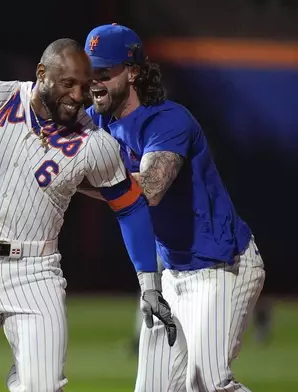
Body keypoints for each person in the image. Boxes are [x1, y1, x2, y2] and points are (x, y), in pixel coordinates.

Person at [0, 38, 175, 392]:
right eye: (68, 83)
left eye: (85, 87)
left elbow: (130, 207)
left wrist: (148, 283)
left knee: (43, 385)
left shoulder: (95, 143)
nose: (77, 95)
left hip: (35, 274)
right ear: (42, 74)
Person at [80, 23, 266, 392]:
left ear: (132, 71)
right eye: (90, 73)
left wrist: (74, 180)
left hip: (222, 266)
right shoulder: (97, 120)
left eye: (104, 72)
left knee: (208, 383)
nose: (94, 82)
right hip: (172, 274)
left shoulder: (167, 120)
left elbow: (149, 190)